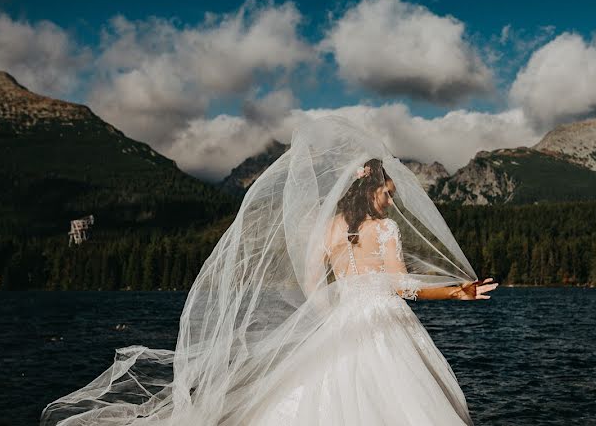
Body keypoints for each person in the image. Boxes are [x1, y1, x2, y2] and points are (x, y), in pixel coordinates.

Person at [41, 116, 497, 425]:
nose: (391, 200)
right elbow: (402, 286)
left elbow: (313, 280)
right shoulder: (385, 229)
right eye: (389, 193)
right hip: (384, 322)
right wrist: (457, 292)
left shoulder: (329, 226)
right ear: (375, 189)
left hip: (342, 321)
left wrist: (328, 316)